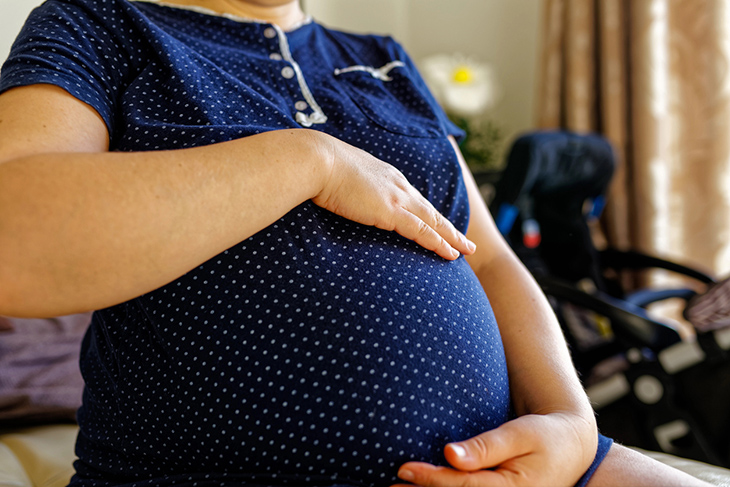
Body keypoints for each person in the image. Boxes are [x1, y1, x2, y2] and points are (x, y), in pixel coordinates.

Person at [0, 0, 713, 486]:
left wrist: (570, 424)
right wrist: (311, 161)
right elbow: (14, 239)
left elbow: (489, 256)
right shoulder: (96, 27)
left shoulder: (384, 60)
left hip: (496, 460)